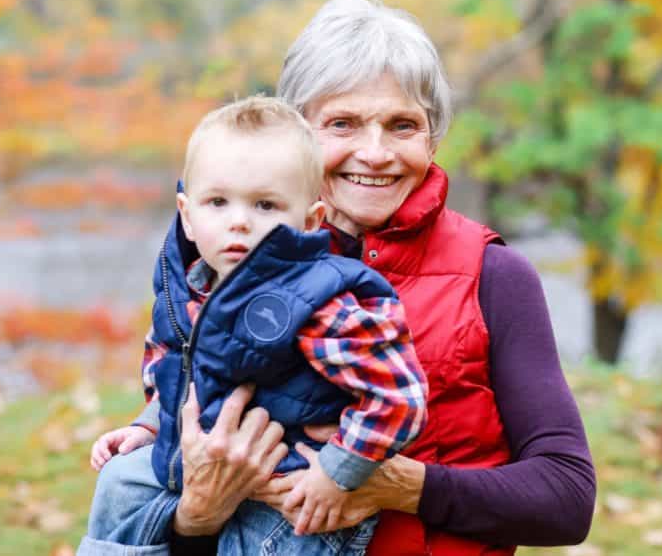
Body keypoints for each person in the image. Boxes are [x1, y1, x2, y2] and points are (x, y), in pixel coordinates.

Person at [87, 0, 596, 555]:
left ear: (432, 138)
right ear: (297, 135)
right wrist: (196, 514)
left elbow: (566, 499)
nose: (374, 153)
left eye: (403, 125)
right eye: (343, 124)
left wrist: (403, 487)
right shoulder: (234, 268)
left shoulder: (493, 273)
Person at [78, 96, 428, 556]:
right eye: (218, 202)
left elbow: (399, 396)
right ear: (187, 213)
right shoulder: (188, 291)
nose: (239, 222)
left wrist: (337, 472)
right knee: (120, 480)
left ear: (309, 221)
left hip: (295, 494)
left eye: (265, 205)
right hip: (202, 463)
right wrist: (148, 426)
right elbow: (180, 371)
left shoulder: (317, 301)